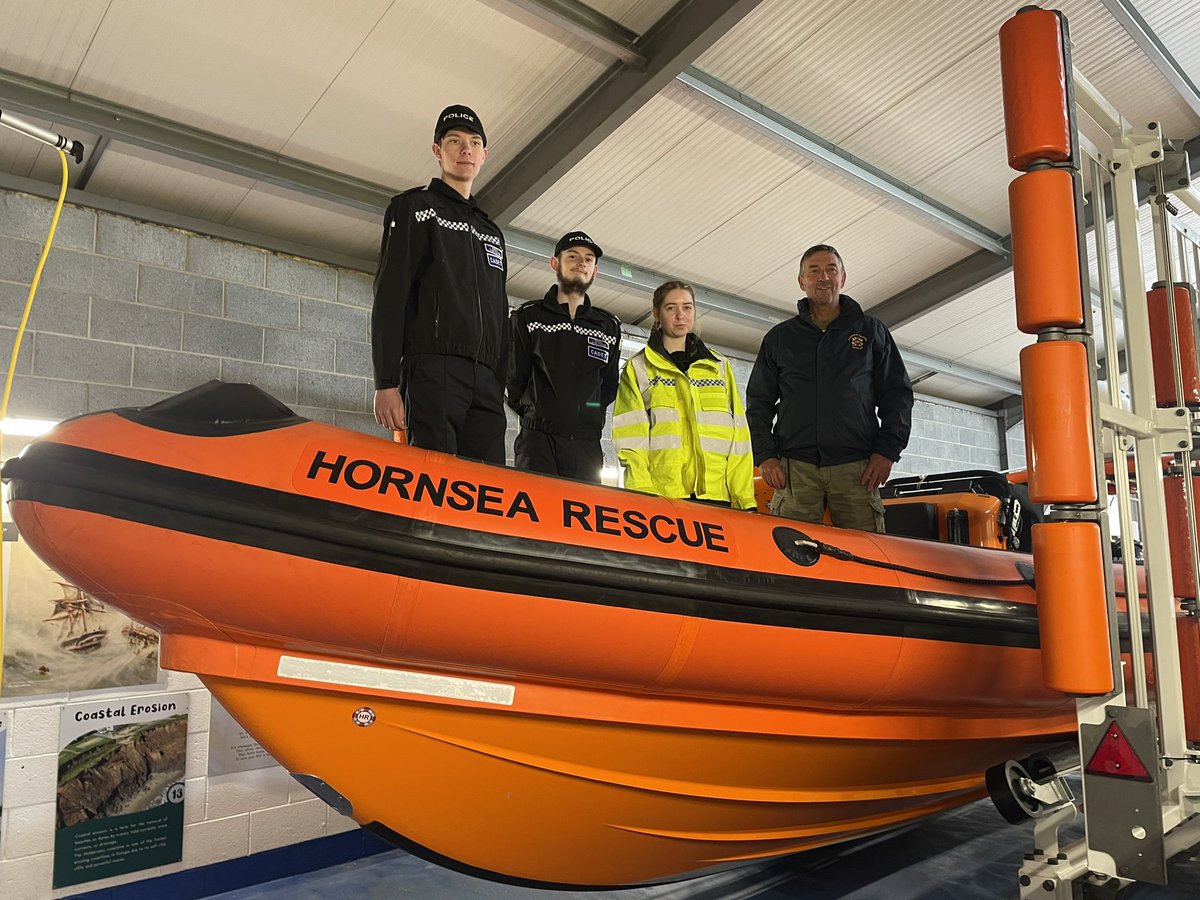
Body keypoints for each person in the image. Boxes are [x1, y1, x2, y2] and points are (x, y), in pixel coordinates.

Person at [370, 104, 508, 464]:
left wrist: (499, 381)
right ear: (438, 150)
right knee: (433, 483)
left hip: (486, 381)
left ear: (484, 155)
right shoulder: (414, 209)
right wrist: (386, 382)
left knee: (488, 490)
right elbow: (390, 295)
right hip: (434, 370)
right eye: (455, 141)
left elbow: (499, 308)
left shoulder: (490, 232)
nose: (466, 150)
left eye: (474, 143)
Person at [746, 244, 913, 532]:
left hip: (857, 469)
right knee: (790, 558)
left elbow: (897, 395)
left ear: (843, 278)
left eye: (831, 269)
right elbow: (758, 402)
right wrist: (765, 456)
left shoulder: (872, 332)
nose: (823, 277)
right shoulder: (780, 338)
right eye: (814, 271)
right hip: (794, 471)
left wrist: (887, 452)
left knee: (868, 558)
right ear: (802, 282)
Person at [613, 281, 755, 509]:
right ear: (656, 313)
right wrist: (642, 497)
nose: (681, 315)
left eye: (687, 307)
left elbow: (739, 438)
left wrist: (744, 499)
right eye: (671, 308)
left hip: (719, 498)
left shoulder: (719, 367)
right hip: (664, 498)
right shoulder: (639, 367)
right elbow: (630, 440)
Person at [506, 232, 621, 482]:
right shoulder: (528, 317)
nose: (582, 263)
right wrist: (537, 415)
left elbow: (609, 385)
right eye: (573, 256)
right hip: (537, 442)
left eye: (588, 259)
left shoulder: (608, 326)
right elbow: (514, 379)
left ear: (595, 271)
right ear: (555, 264)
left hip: (586, 446)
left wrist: (587, 416)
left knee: (582, 518)